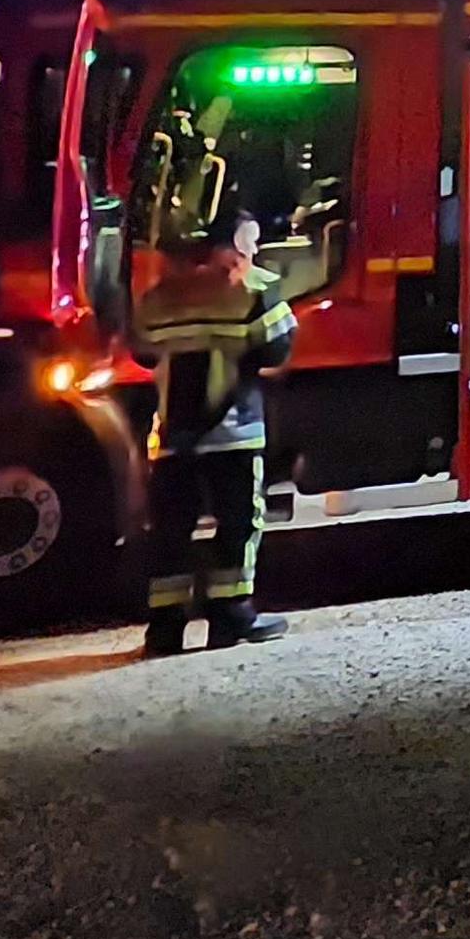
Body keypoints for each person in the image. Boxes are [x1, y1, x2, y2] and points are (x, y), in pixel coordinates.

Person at [134, 209, 300, 654]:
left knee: (170, 531)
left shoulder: (158, 296)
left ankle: (164, 629)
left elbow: (142, 353)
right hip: (233, 433)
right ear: (234, 247)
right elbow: (279, 346)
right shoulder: (253, 288)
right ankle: (231, 618)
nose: (256, 251)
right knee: (239, 523)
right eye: (252, 243)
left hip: (171, 438)